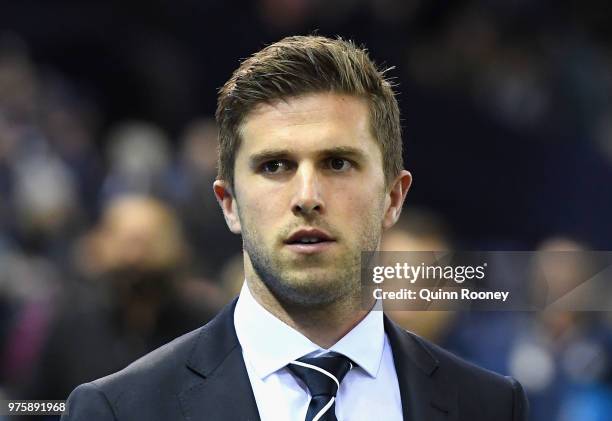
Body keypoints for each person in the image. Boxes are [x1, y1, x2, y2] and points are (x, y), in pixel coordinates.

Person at [63, 35, 528, 421]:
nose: (307, 196)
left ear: (393, 197)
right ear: (229, 205)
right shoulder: (118, 411)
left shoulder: (491, 407)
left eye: (338, 162)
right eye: (275, 166)